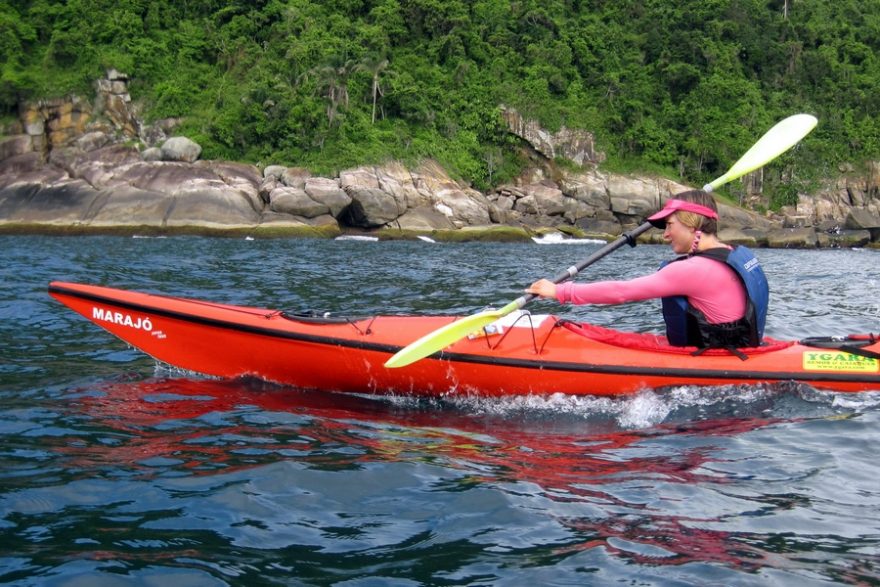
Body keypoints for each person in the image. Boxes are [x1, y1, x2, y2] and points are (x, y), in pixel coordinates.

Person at [526, 190, 769, 349]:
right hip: (739, 349)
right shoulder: (732, 252)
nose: (665, 235)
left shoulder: (694, 270)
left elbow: (622, 291)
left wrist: (560, 292)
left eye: (669, 225)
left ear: (691, 222)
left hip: (715, 360)